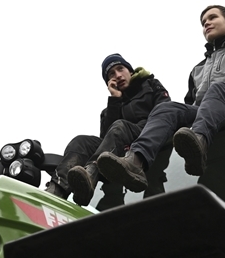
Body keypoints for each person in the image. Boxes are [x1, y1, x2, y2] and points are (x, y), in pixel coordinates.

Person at [97, 5, 225, 192]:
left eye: (212, 18)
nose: (206, 23)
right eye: (203, 23)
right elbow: (190, 103)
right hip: (204, 111)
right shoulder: (197, 69)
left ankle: (200, 142)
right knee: (166, 109)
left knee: (217, 88)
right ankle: (136, 162)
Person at [45, 54, 170, 207]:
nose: (117, 75)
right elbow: (105, 139)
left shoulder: (150, 85)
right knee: (81, 142)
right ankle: (56, 191)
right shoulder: (108, 110)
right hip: (119, 148)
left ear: (130, 71)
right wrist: (115, 100)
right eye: (111, 74)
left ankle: (91, 175)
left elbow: (165, 111)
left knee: (119, 127)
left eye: (120, 69)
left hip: (148, 138)